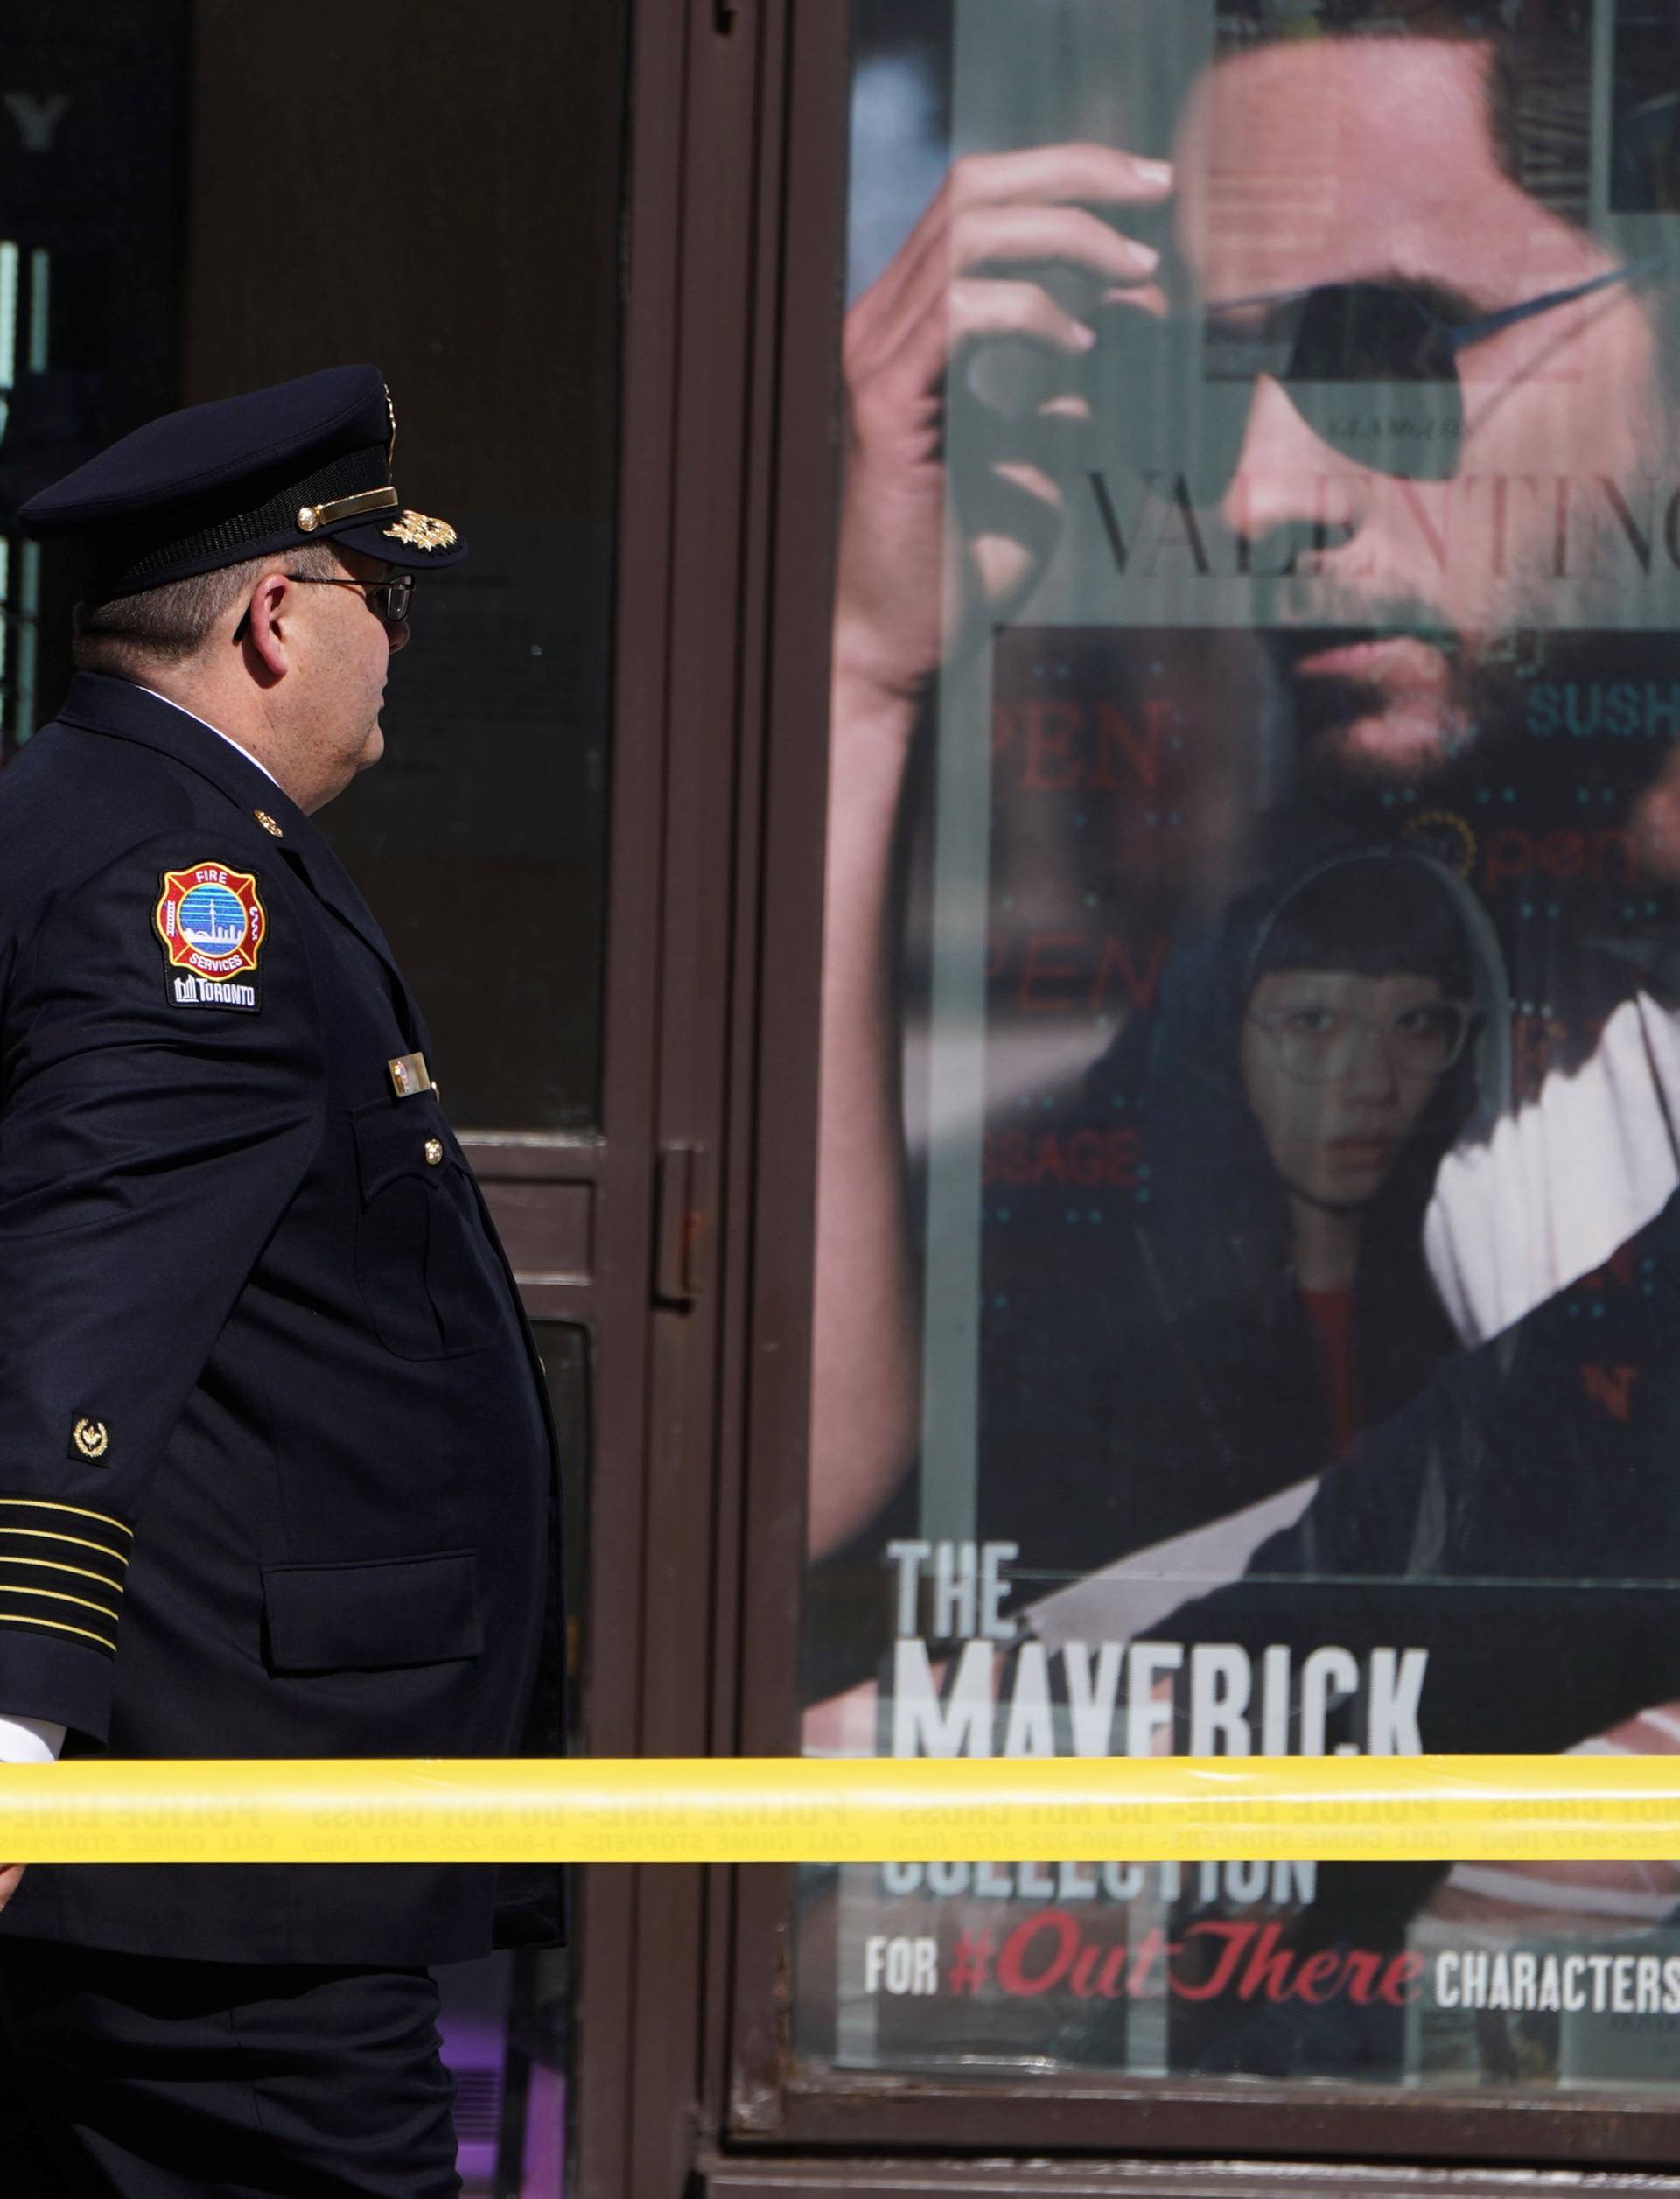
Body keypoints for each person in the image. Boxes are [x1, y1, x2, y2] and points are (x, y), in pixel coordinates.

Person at [0, 365, 562, 2196]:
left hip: (184, 1837)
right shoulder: (188, 887)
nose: (395, 646)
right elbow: (98, 1296)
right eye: (379, 596)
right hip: (216, 1862)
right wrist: (16, 1710)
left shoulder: (72, 819)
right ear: (272, 614)